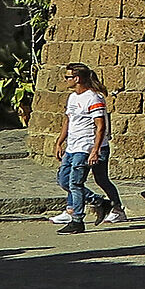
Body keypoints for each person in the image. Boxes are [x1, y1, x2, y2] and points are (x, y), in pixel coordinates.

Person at [51, 63, 126, 231]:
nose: (66, 80)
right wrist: (59, 142)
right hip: (72, 147)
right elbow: (68, 121)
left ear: (77, 78)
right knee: (64, 180)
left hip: (86, 147)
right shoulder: (72, 98)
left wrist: (95, 150)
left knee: (78, 182)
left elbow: (100, 126)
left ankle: (77, 218)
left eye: (68, 77)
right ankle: (99, 202)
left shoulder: (93, 98)